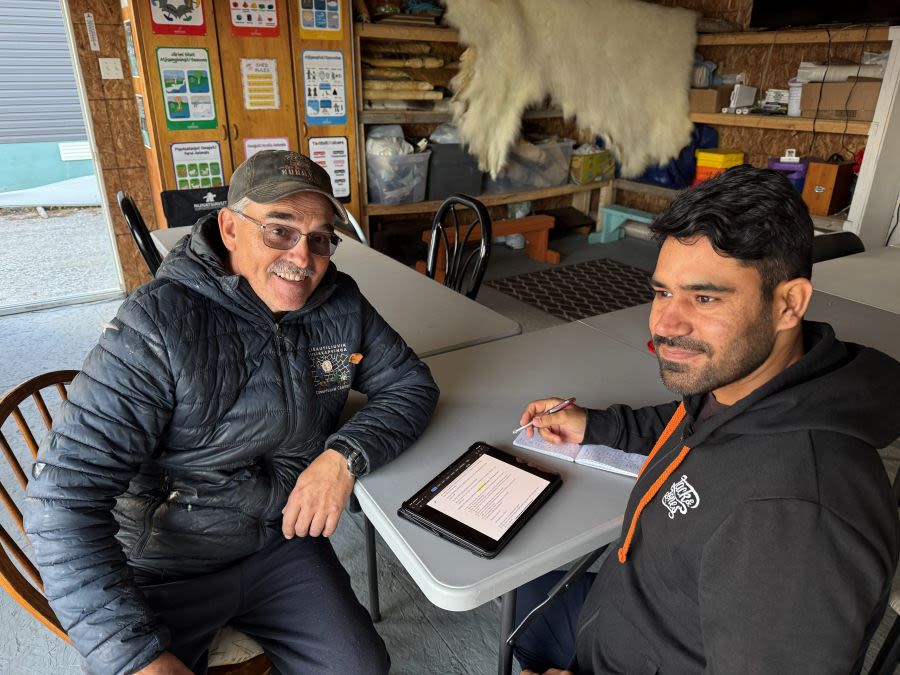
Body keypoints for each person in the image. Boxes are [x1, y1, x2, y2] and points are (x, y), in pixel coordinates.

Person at [24, 150, 439, 675]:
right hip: (168, 563)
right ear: (229, 227)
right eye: (279, 231)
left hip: (281, 544)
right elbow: (62, 501)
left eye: (320, 238)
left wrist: (343, 457)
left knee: (359, 668)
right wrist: (136, 658)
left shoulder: (339, 301)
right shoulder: (155, 326)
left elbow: (410, 385)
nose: (304, 257)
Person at [514, 165, 900, 674]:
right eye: (662, 292)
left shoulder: (798, 524)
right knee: (520, 597)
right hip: (630, 613)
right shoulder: (752, 385)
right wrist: (597, 426)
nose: (664, 324)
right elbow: (691, 424)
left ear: (789, 304)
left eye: (704, 297)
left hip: (639, 650)